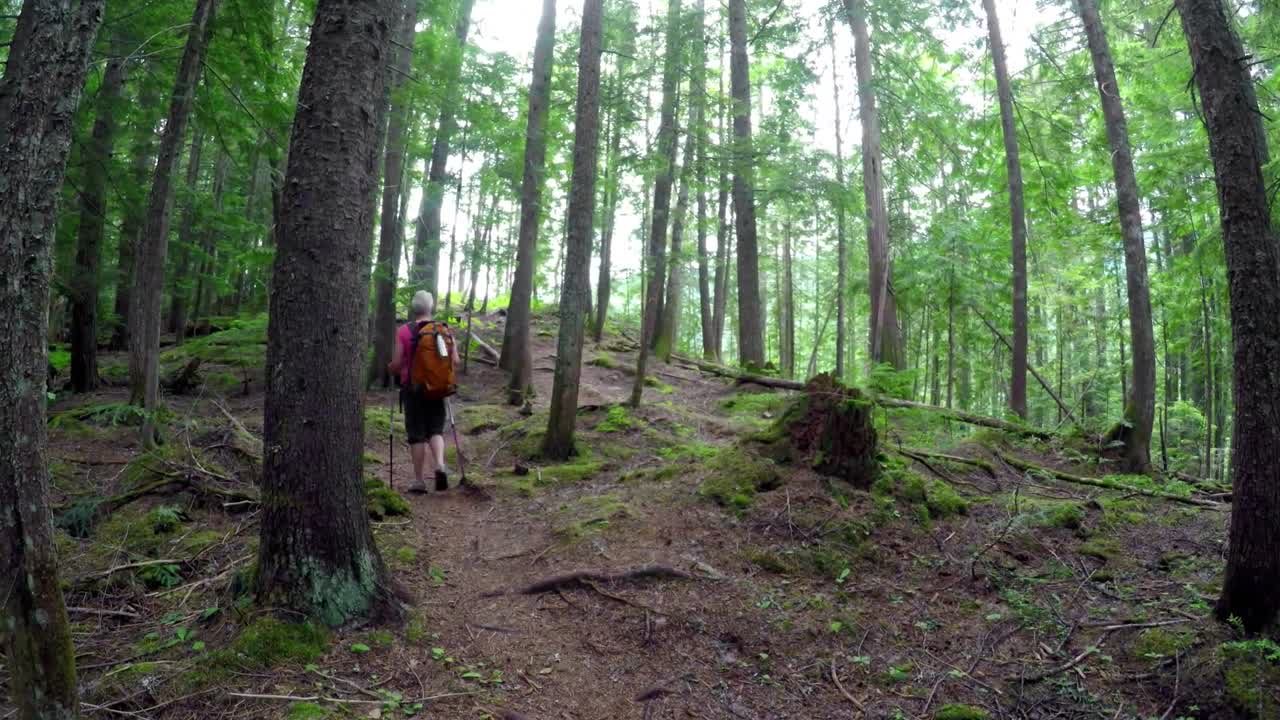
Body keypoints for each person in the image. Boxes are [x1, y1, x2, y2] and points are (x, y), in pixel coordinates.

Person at [388, 290, 455, 493]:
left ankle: (419, 481)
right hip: (437, 388)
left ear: (413, 308)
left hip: (413, 388)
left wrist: (390, 368)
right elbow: (456, 361)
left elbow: (398, 365)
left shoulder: (404, 331)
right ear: (430, 307)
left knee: (417, 434)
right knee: (435, 430)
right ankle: (440, 465)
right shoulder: (443, 330)